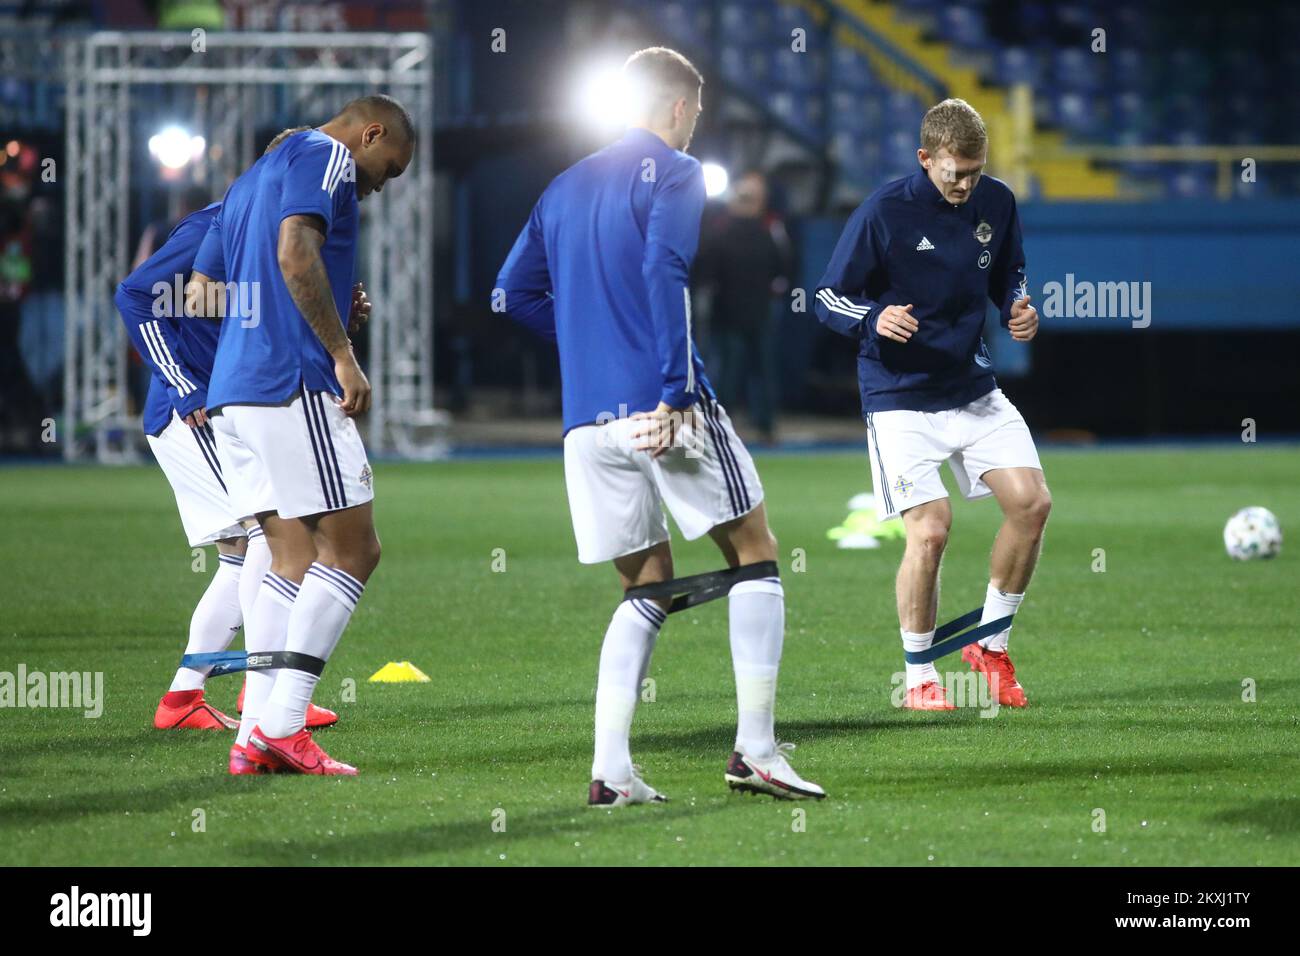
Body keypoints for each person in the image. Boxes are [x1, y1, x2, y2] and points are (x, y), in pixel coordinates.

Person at [496, 47, 824, 805]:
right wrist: (673, 392)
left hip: (588, 422)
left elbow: (510, 295)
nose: (694, 125)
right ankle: (758, 751)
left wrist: (586, 343)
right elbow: (665, 272)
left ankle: (610, 771)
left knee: (646, 584)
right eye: (697, 113)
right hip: (662, 406)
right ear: (679, 107)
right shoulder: (675, 171)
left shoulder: (564, 184)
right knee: (755, 553)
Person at [190, 97, 413, 775]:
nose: (379, 184)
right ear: (369, 133)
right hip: (293, 384)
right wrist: (340, 349)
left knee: (289, 560)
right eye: (389, 168)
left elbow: (204, 294)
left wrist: (326, 301)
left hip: (236, 392)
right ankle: (282, 727)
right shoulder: (327, 156)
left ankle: (253, 733)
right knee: (352, 553)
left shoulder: (250, 177)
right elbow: (294, 252)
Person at [813, 98, 1050, 710]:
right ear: (926, 159)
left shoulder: (995, 201)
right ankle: (920, 675)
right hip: (899, 398)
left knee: (1032, 505)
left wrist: (1017, 309)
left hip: (971, 387)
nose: (966, 185)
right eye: (955, 173)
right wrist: (873, 315)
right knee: (931, 531)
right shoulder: (883, 211)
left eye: (975, 172)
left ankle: (990, 646)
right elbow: (827, 296)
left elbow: (1010, 273)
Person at [695, 170, 791, 444]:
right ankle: (725, 426)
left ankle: (761, 425)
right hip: (732, 315)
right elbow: (706, 271)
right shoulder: (721, 229)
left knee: (754, 372)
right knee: (729, 372)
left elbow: (784, 270)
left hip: (752, 314)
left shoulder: (769, 228)